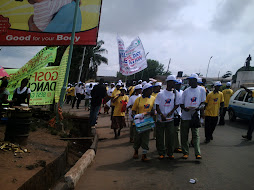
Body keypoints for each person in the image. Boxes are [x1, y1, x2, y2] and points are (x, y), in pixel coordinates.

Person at [180, 73, 206, 159]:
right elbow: (181, 103)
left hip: (195, 115)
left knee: (195, 135)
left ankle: (197, 153)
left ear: (195, 80)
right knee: (184, 135)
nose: (189, 82)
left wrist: (199, 109)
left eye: (191, 80)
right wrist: (185, 108)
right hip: (186, 116)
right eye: (189, 80)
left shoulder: (201, 90)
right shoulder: (186, 91)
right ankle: (185, 152)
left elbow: (203, 102)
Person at [155, 75, 180, 160]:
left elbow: (177, 104)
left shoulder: (175, 94)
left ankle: (170, 153)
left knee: (170, 137)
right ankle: (161, 153)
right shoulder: (161, 94)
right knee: (160, 137)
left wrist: (171, 112)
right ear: (169, 83)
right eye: (173, 82)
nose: (174, 84)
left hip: (170, 119)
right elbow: (157, 106)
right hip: (161, 119)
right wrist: (161, 115)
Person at [132, 83, 155, 162]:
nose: (151, 91)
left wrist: (152, 113)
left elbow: (154, 109)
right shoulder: (138, 100)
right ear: (145, 91)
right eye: (150, 90)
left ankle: (144, 155)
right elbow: (133, 110)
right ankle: (136, 151)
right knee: (137, 138)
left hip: (147, 122)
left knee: (146, 139)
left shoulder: (153, 98)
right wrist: (135, 117)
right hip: (138, 123)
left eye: (151, 89)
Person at [174, 79, 183, 153]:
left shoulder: (182, 93)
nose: (178, 86)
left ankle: (177, 146)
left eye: (180, 84)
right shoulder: (172, 93)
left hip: (179, 114)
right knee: (171, 131)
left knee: (177, 130)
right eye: (177, 84)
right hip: (171, 114)